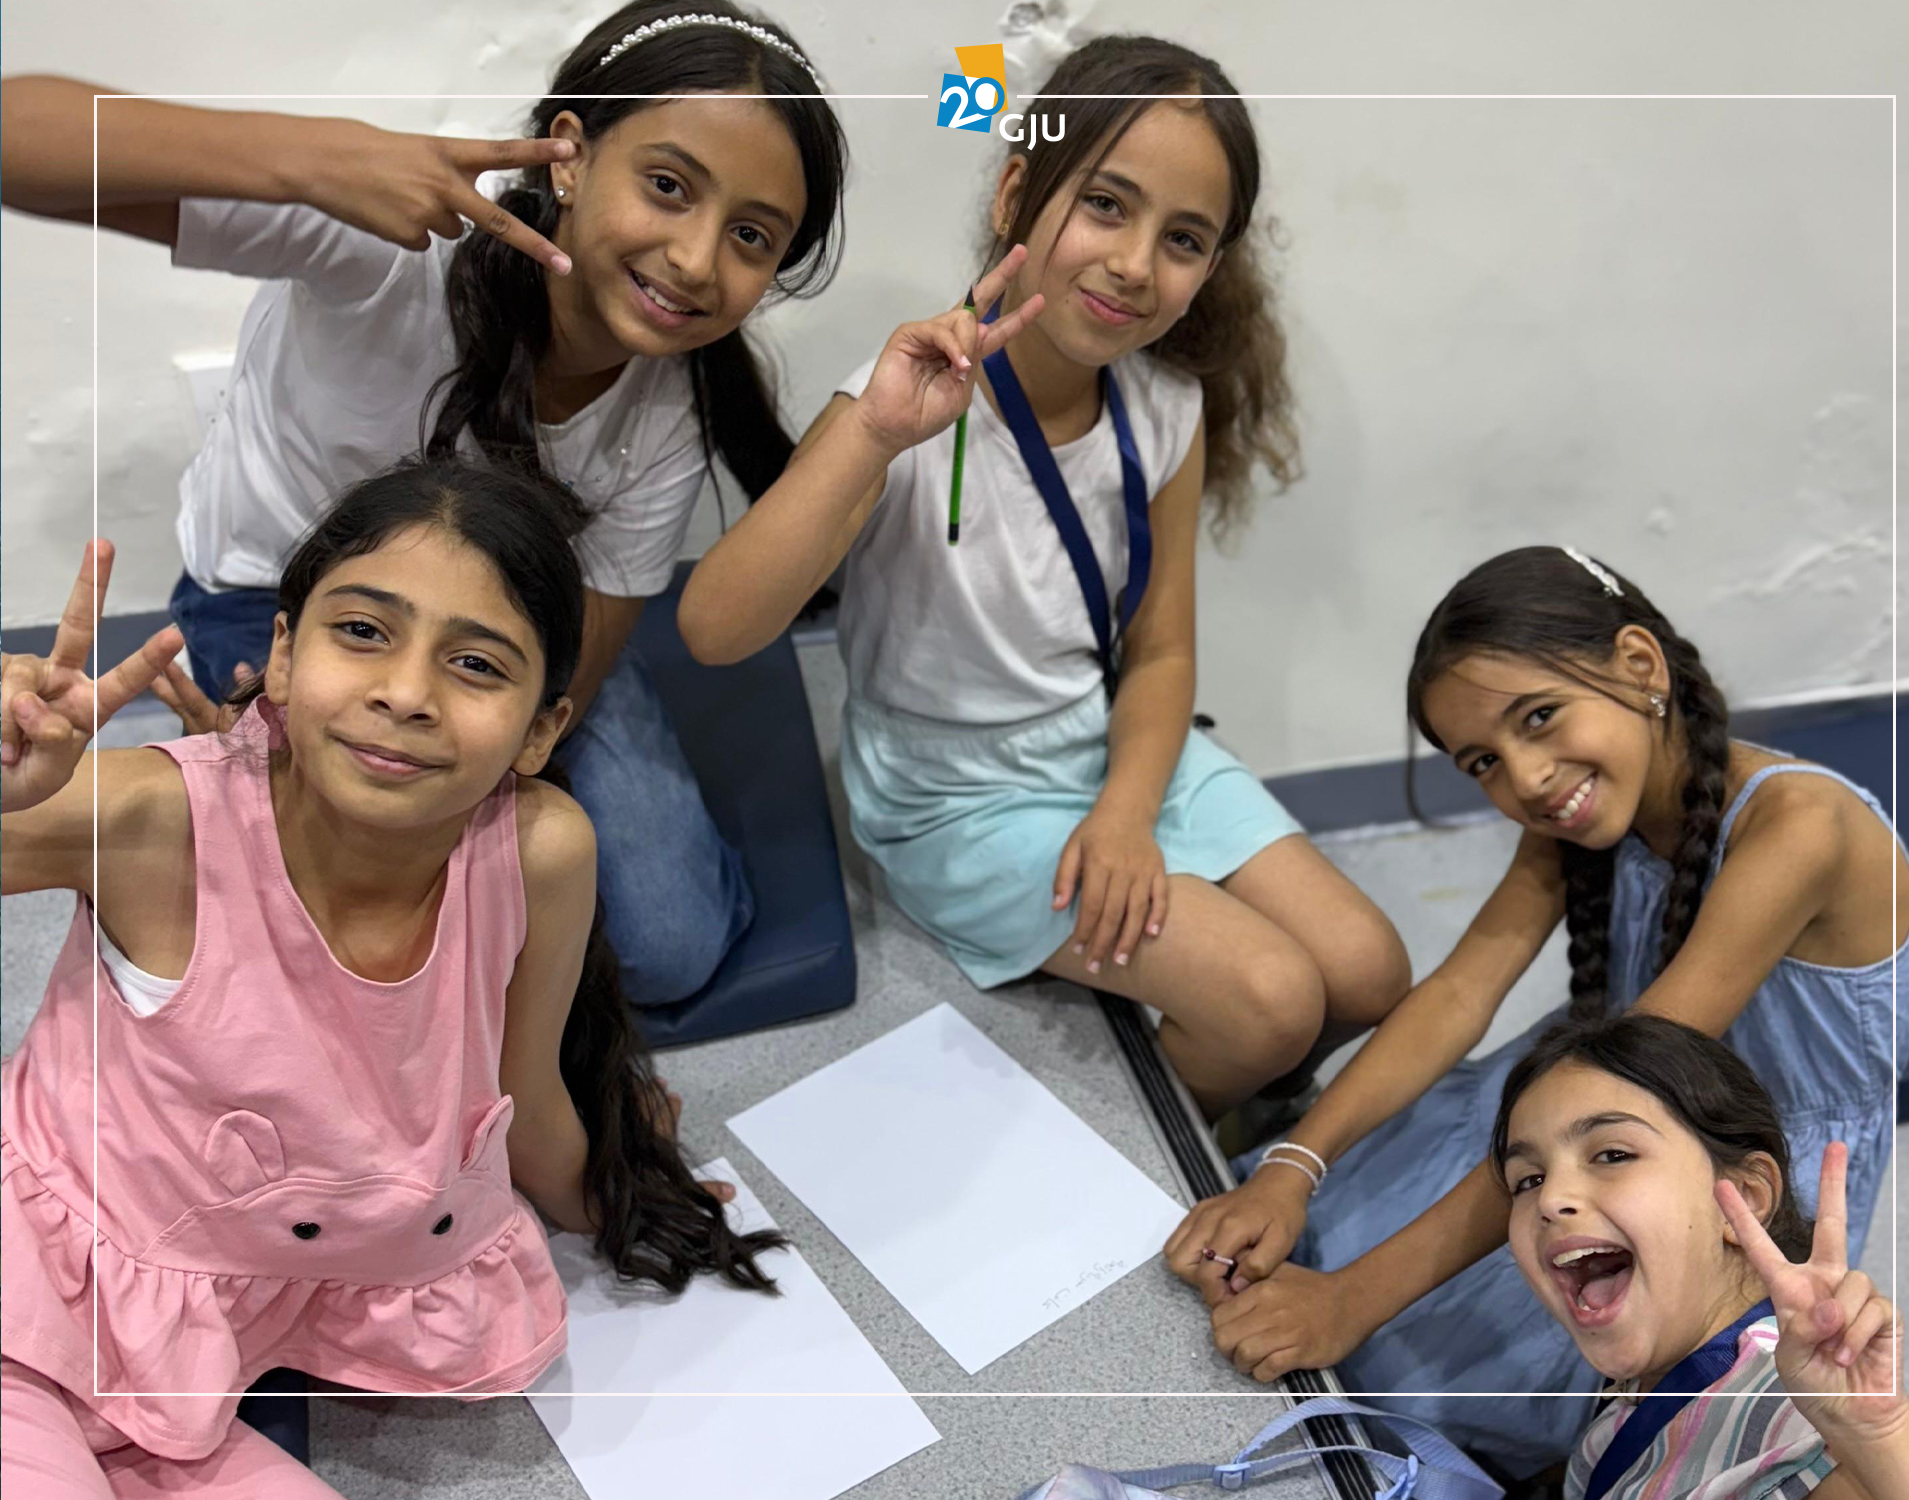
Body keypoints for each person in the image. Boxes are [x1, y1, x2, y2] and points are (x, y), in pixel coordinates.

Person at [0, 0, 849, 1008]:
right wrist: (312, 159)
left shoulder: (673, 401)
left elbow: (577, 661)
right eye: (668, 186)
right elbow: (21, 137)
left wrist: (472, 771)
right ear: (569, 156)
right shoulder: (396, 242)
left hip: (510, 642)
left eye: (750, 235)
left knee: (667, 941)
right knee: (305, 951)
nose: (697, 260)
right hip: (273, 605)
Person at [0, 460, 780, 1498]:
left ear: (541, 730)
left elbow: (518, 1093)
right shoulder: (154, 818)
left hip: (183, 1372)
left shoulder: (540, 850)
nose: (405, 694)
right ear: (283, 654)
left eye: (476, 664)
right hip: (31, 1286)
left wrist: (624, 1198)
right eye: (363, 631)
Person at [678, 36, 1410, 1118]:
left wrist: (1124, 812)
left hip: (1106, 745)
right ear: (1017, 191)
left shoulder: (1166, 407)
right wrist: (869, 435)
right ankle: (1173, 1144)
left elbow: (1161, 652)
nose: (1134, 264)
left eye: (1183, 239)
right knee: (1271, 1003)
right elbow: (714, 630)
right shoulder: (901, 404)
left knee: (1368, 971)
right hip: (951, 796)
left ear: (1212, 268)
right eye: (1105, 205)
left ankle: (1220, 1098)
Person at [1170, 545, 1909, 1476]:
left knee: (1403, 1377)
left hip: (1720, 1151)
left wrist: (1353, 1301)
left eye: (1539, 717)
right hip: (1593, 1099)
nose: (1525, 779)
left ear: (1640, 666)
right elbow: (1458, 993)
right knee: (1318, 1221)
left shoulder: (1801, 828)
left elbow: (1618, 1095)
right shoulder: (1572, 811)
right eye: (1485, 761)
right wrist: (1295, 1166)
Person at [1491, 1014, 1909, 1499]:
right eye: (1528, 1180)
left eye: (1612, 1155)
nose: (1550, 1199)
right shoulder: (1649, 1384)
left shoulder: (1801, 1431)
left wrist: (1881, 1437)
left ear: (1743, 1196)